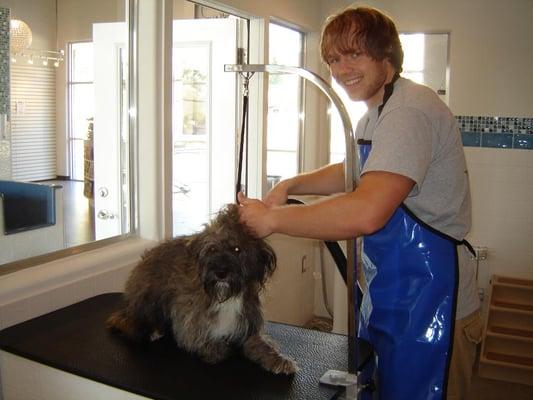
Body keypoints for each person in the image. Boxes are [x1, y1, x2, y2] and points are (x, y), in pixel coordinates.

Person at [238, 6, 482, 400]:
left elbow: (366, 211)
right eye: (334, 58)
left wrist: (272, 220)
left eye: (354, 54)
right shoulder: (378, 112)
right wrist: (290, 184)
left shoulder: (408, 111)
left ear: (386, 55)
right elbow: (357, 169)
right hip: (396, 292)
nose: (341, 68)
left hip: (436, 302)